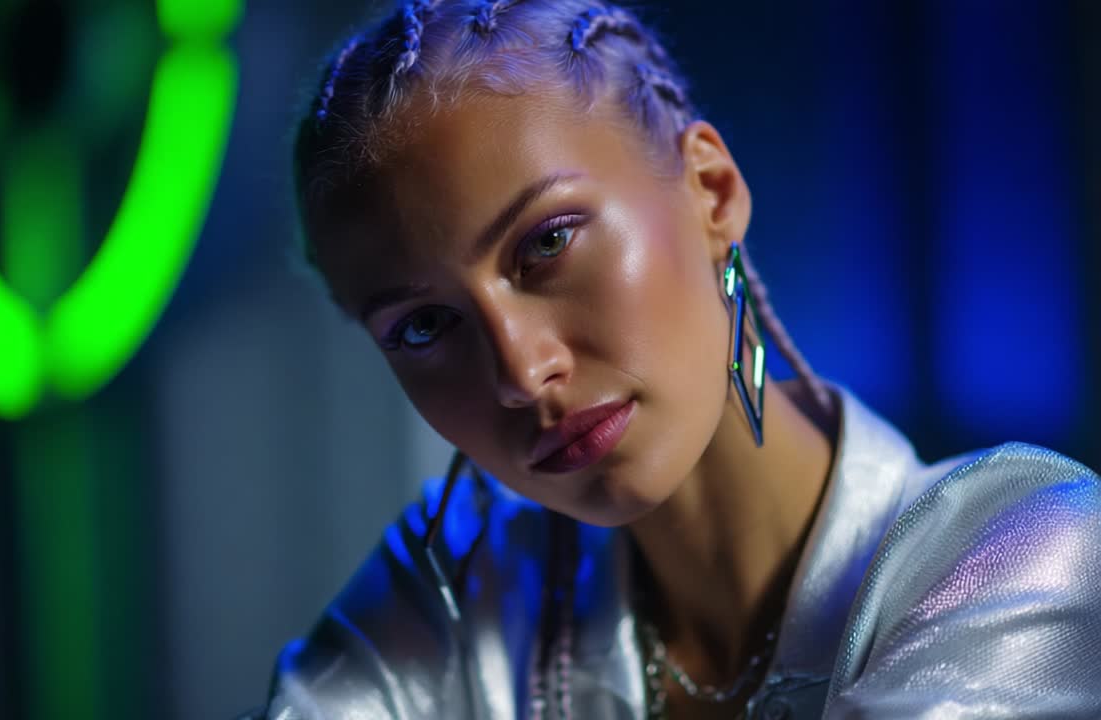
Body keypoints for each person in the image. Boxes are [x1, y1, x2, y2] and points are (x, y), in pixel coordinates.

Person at [248, 1, 1101, 717]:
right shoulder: (456, 586)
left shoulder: (1030, 550)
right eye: (425, 327)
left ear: (711, 191)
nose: (519, 372)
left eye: (546, 242)